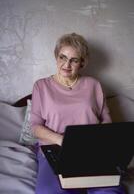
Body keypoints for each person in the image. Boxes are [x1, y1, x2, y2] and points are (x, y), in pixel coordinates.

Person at [30, 33, 125, 194]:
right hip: (55, 147)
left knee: (111, 191)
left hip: (92, 149)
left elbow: (106, 120)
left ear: (82, 63)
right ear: (56, 57)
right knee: (49, 192)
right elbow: (35, 127)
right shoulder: (41, 86)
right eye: (63, 57)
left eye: (74, 60)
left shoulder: (93, 85)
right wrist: (64, 141)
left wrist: (97, 144)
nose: (67, 64)